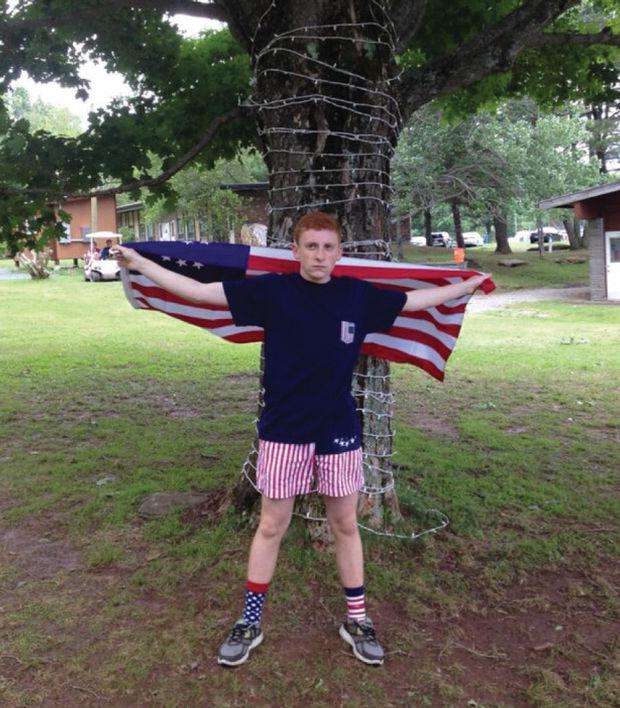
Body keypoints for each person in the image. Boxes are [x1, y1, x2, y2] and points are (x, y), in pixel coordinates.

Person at [112, 212, 490, 668]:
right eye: (311, 246)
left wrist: (468, 285)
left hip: (339, 429)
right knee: (272, 525)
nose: (320, 256)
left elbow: (414, 302)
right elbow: (201, 292)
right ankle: (249, 622)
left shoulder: (356, 295)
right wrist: (138, 262)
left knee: (346, 524)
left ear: (339, 252)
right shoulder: (273, 290)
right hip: (284, 430)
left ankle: (357, 620)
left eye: (328, 247)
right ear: (295, 250)